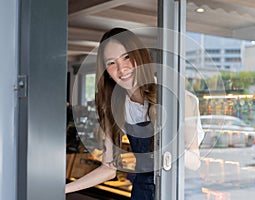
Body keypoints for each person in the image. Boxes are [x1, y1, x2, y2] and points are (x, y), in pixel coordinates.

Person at [65, 27, 203, 199]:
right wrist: (63, 190)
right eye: (111, 63)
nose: (122, 69)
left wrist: (166, 146)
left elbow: (195, 163)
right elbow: (109, 170)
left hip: (180, 193)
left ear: (140, 57)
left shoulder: (178, 99)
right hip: (143, 193)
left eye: (127, 57)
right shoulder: (114, 108)